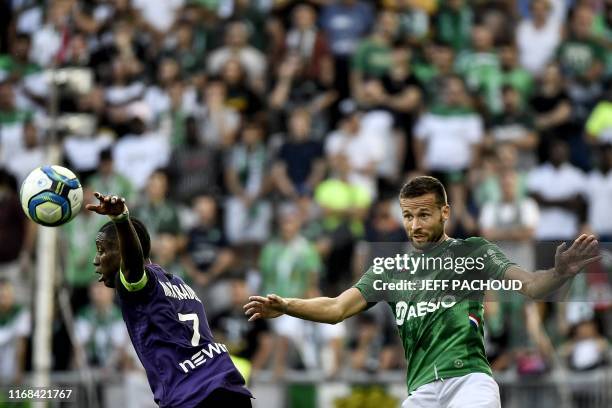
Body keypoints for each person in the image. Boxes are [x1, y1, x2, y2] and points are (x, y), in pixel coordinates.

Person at [245, 176, 600, 408]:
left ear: (445, 212)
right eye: (408, 216)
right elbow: (337, 307)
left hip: (469, 382)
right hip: (421, 392)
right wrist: (289, 305)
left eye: (424, 215)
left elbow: (533, 286)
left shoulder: (472, 252)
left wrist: (559, 273)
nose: (415, 225)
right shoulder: (389, 270)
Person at [86, 192, 252, 407]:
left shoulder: (140, 286)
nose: (96, 260)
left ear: (124, 253)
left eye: (102, 251)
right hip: (229, 386)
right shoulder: (177, 283)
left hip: (193, 396)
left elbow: (134, 268)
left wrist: (121, 220)